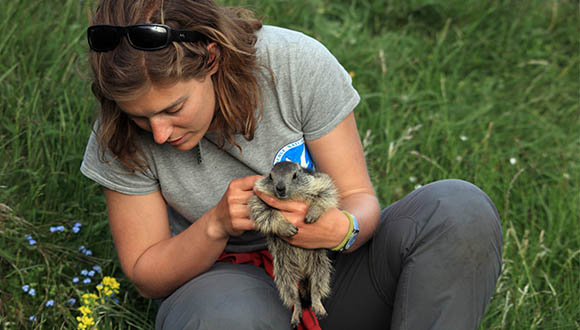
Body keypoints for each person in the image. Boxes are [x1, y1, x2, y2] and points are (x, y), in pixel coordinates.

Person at [81, 0, 503, 329]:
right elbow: (146, 274)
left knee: (458, 210)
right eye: (141, 117)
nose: (158, 133)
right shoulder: (117, 131)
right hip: (227, 293)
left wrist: (343, 230)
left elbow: (359, 199)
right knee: (221, 316)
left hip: (335, 279)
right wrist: (216, 225)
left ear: (211, 59)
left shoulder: (295, 64)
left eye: (174, 108)